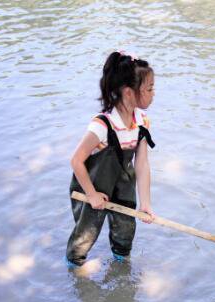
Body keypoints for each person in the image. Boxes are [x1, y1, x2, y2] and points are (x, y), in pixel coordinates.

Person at [66, 50, 156, 270]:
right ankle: (74, 268)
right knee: (86, 235)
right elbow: (76, 161)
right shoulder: (102, 125)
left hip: (123, 183)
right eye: (149, 88)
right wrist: (92, 194)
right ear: (128, 92)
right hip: (93, 185)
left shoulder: (141, 122)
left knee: (125, 231)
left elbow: (142, 165)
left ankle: (120, 267)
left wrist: (145, 203)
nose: (153, 94)